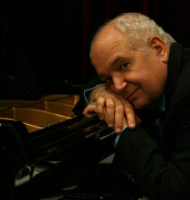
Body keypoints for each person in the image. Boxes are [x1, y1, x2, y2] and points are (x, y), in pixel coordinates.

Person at [73, 12, 190, 199]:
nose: (117, 87)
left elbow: (175, 191)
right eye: (108, 79)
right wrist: (100, 91)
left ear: (158, 49)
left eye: (124, 65)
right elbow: (90, 86)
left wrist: (123, 126)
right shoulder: (156, 83)